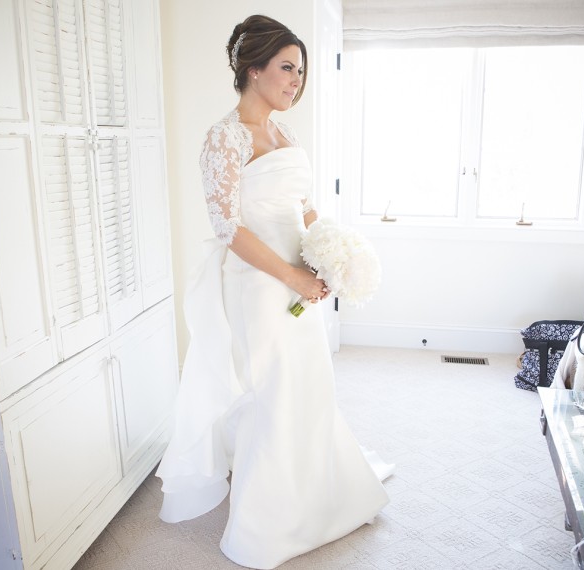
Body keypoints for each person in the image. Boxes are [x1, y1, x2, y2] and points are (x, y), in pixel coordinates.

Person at [155, 14, 393, 569]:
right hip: (260, 285)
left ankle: (317, 494)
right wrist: (293, 277)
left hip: (300, 277)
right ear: (253, 68)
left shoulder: (285, 134)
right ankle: (269, 522)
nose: (296, 81)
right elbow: (229, 229)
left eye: (301, 71)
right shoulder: (224, 136)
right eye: (287, 68)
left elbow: (303, 208)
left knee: (309, 381)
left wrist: (330, 254)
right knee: (274, 389)